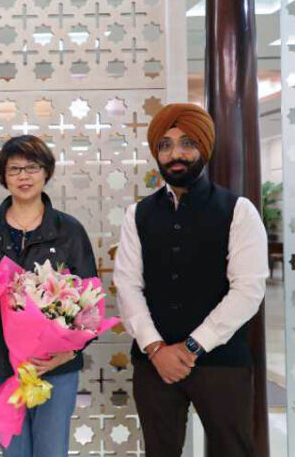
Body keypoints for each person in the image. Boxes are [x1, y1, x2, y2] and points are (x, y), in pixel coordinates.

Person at [114, 103, 268, 457]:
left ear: (203, 147)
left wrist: (191, 347)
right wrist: (155, 348)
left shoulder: (238, 210)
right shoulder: (137, 214)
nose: (175, 154)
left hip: (221, 363)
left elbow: (248, 289)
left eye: (186, 143)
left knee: (233, 450)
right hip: (154, 365)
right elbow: (127, 286)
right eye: (165, 146)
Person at [0, 135, 96, 456]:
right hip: (0, 365)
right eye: (14, 169)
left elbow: (90, 304)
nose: (24, 176)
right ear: (3, 176)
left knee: (51, 451)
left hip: (55, 366)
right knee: (15, 452)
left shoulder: (69, 230)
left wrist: (69, 352)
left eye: (32, 167)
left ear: (46, 172)